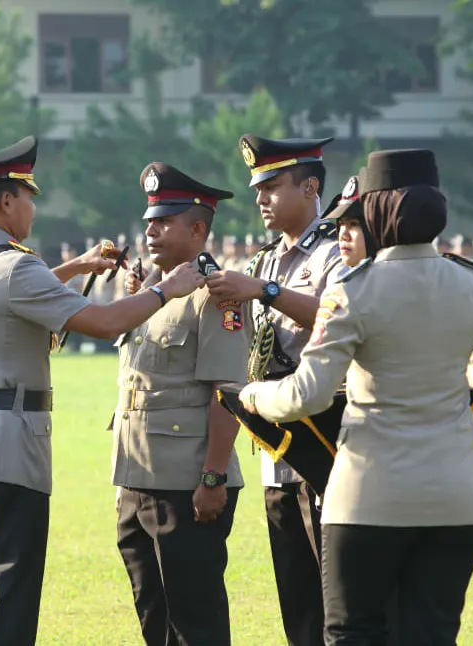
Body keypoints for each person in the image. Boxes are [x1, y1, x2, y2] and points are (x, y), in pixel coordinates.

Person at [239, 149, 473, 645]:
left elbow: (307, 396)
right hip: (456, 494)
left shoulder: (353, 290)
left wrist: (253, 395)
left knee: (354, 632)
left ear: (377, 212)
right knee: (433, 632)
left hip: (371, 494)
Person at [0, 136, 207, 646]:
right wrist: (166, 289)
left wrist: (77, 268)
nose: (33, 208)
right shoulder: (17, 266)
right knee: (10, 586)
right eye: (29, 196)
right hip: (9, 444)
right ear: (8, 200)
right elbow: (102, 322)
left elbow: (0, 298)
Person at [204, 134, 341, 646]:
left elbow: (336, 314)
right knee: (298, 603)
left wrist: (264, 292)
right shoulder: (263, 261)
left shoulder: (335, 251)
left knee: (338, 603)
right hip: (277, 451)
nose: (261, 197)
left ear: (310, 187)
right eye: (257, 187)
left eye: (272, 185)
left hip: (326, 444)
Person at [111, 162, 250, 646]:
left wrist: (213, 476)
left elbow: (225, 392)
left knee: (195, 622)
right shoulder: (153, 291)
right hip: (137, 477)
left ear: (197, 229)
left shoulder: (216, 294)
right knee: (153, 615)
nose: (151, 229)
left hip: (188, 482)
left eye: (164, 220)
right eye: (149, 220)